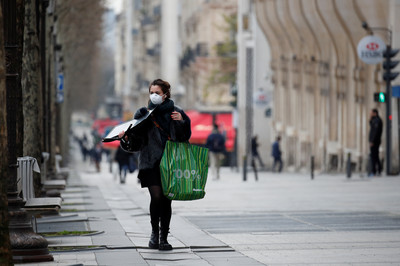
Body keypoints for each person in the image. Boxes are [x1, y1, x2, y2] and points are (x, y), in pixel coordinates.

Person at [118, 79, 191, 251]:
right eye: (151, 92)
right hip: (150, 162)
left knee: (166, 200)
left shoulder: (177, 112)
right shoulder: (143, 114)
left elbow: (184, 137)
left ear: (165, 94)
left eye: (157, 93)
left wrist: (181, 122)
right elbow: (136, 143)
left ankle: (164, 237)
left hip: (171, 163)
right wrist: (126, 138)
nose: (154, 96)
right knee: (156, 197)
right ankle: (154, 234)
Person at [369, 108, 383, 176]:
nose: (370, 114)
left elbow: (375, 132)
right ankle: (379, 169)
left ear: (375, 113)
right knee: (376, 156)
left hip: (375, 142)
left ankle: (374, 171)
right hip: (375, 142)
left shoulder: (377, 121)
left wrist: (372, 141)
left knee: (374, 156)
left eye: (371, 113)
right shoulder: (374, 120)